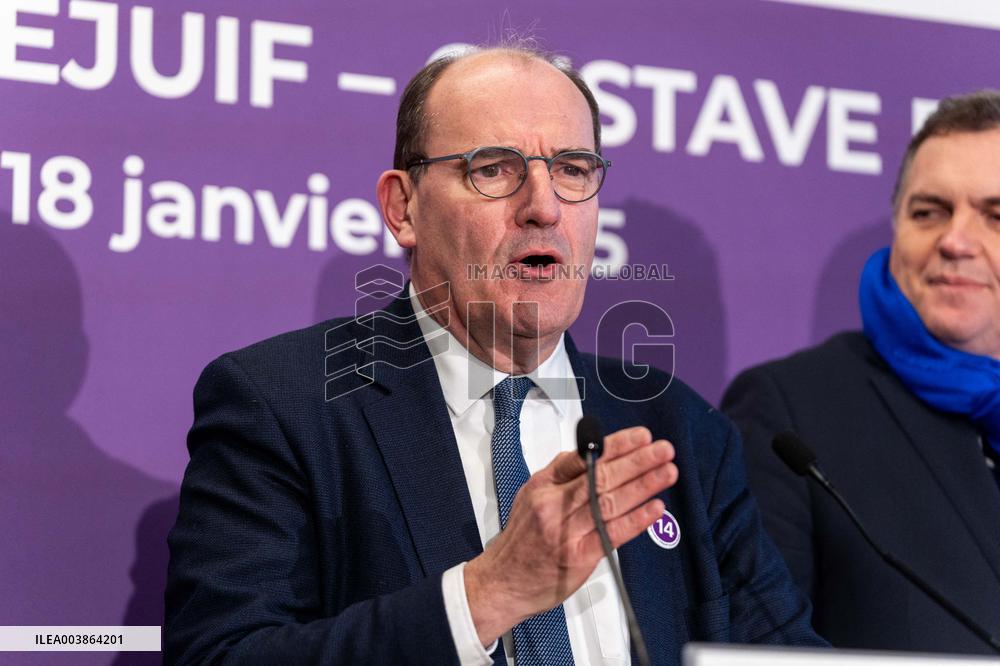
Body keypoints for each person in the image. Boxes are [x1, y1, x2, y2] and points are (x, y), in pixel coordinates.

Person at [165, 46, 822, 665]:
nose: (543, 207)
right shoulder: (282, 404)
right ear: (403, 209)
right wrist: (490, 592)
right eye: (494, 168)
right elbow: (223, 655)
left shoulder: (680, 430)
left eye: (571, 170)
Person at [722, 90, 1000, 655]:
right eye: (930, 212)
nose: (955, 241)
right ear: (896, 223)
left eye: (996, 216)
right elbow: (758, 648)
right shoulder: (790, 413)